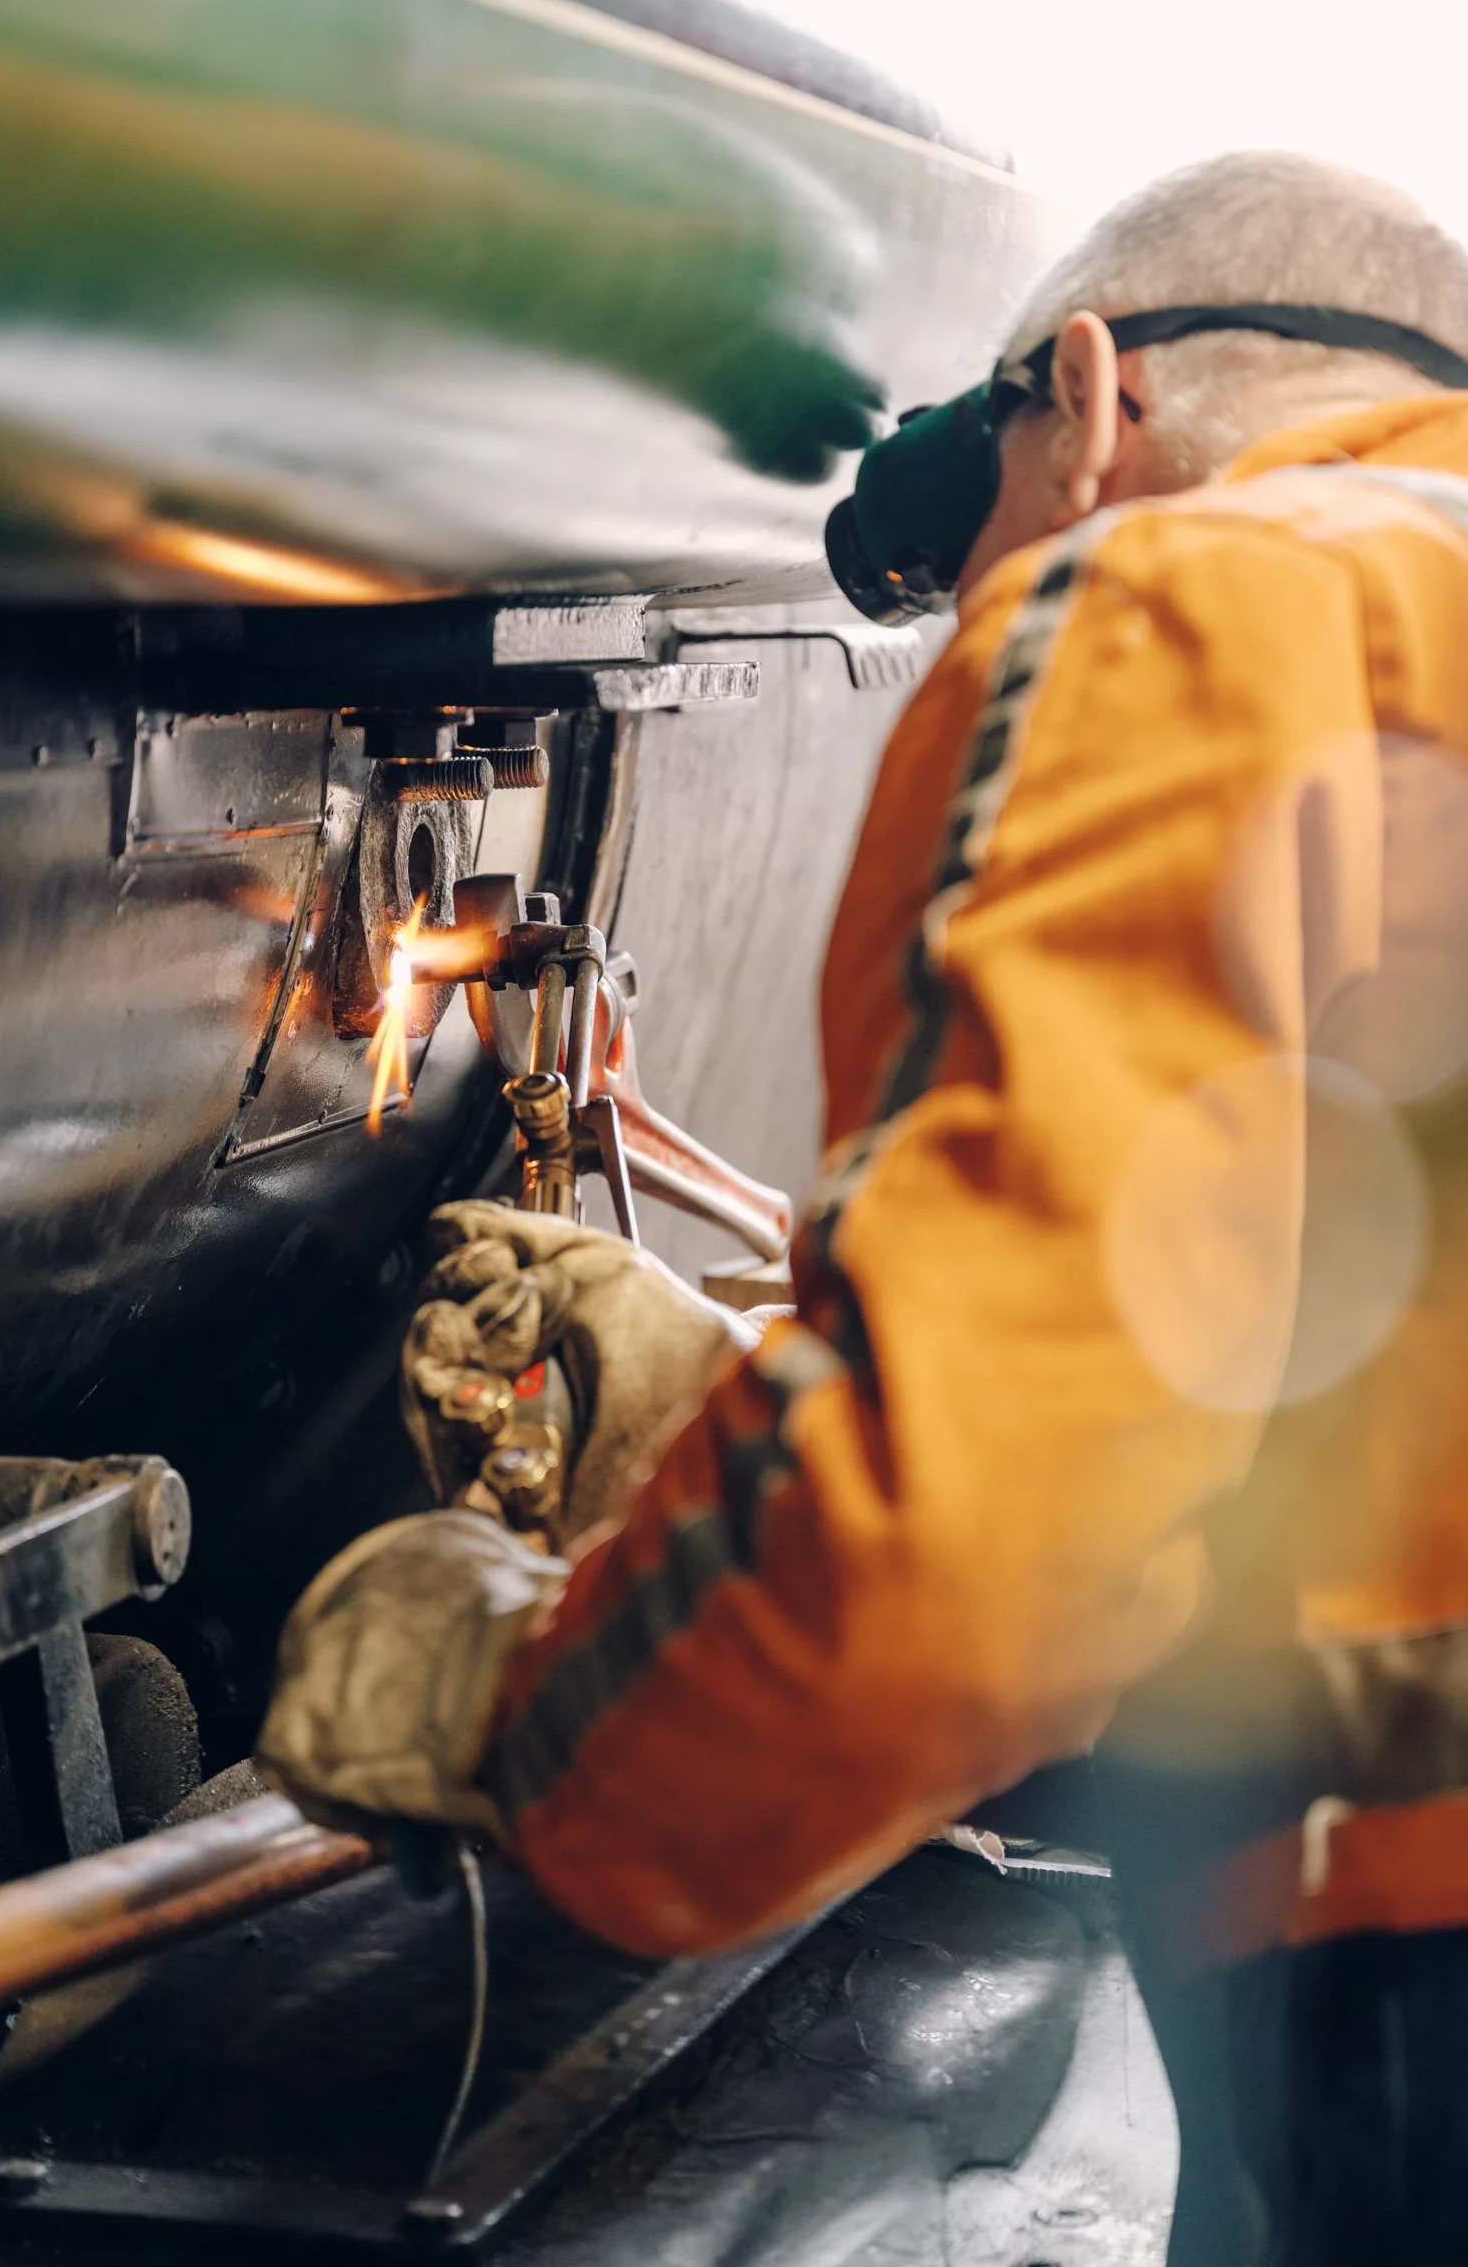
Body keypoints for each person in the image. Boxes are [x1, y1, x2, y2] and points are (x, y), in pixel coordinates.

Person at [260, 152, 1468, 2264]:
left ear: (1078, 400)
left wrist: (540, 1708)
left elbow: (981, 1530)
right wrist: (736, 1410)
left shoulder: (1207, 593)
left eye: (980, 527)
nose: (986, 597)